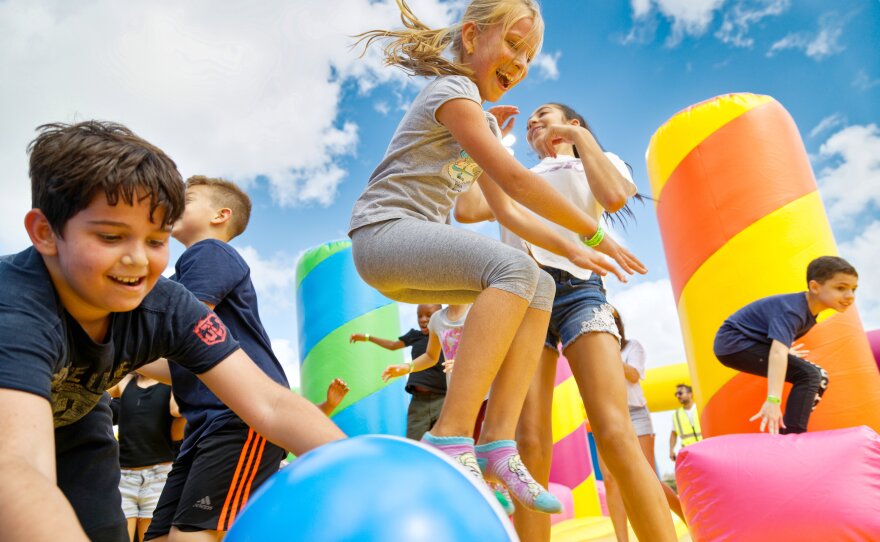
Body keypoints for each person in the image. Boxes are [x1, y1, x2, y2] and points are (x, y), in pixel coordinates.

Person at [350, 0, 643, 515]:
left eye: (528, 56)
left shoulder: (473, 120)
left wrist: (576, 246)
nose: (520, 63)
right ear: (471, 37)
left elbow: (501, 210)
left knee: (541, 287)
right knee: (514, 270)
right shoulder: (454, 91)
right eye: (512, 44)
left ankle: (497, 445)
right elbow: (516, 181)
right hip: (383, 235)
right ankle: (452, 433)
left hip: (409, 259)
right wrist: (593, 237)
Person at [0, 121, 345, 541]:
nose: (137, 261)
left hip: (77, 420)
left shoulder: (167, 306)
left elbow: (270, 403)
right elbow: (17, 467)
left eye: (156, 239)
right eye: (111, 236)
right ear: (44, 233)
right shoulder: (16, 309)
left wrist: (359, 467)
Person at [454, 102, 674, 541]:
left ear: (574, 124)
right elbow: (466, 209)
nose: (535, 120)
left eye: (545, 114)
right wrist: (480, 143)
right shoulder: (518, 176)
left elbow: (612, 196)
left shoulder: (597, 161)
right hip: (522, 295)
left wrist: (577, 137)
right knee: (528, 442)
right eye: (531, 119)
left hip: (580, 292)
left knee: (614, 431)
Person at [143, 175, 319, 541]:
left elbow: (183, 323)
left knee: (192, 535)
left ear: (221, 215)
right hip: (204, 427)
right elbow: (178, 363)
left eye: (186, 198)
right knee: (160, 535)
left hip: (240, 417)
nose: (173, 204)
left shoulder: (209, 252)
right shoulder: (186, 273)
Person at [713, 255, 857, 435]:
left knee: (819, 376)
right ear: (815, 287)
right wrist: (773, 400)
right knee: (812, 375)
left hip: (748, 342)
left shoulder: (808, 311)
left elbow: (769, 332)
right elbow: (776, 353)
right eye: (841, 288)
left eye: (853, 289)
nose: (850, 296)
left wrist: (783, 348)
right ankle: (792, 436)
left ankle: (791, 431)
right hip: (733, 344)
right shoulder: (793, 310)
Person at [597, 310, 684, 541]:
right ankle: (622, 539)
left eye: (609, 321)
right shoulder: (590, 354)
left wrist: (606, 349)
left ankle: (687, 518)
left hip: (635, 414)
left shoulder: (631, 347)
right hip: (607, 414)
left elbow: (633, 376)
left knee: (648, 476)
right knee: (611, 480)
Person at [351, 303, 446, 440]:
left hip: (442, 399)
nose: (423, 319)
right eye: (419, 316)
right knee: (414, 442)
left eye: (428, 315)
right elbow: (392, 345)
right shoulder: (415, 336)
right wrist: (367, 337)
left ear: (439, 316)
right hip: (419, 401)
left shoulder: (444, 336)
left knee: (442, 443)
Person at [108, 373, 179, 542]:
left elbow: (176, 409)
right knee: (120, 537)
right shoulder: (125, 382)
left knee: (152, 536)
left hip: (159, 475)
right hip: (124, 476)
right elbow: (98, 388)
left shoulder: (169, 382)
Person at [669, 384, 701, 461]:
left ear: (690, 394)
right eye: (676, 394)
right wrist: (671, 450)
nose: (678, 396)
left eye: (680, 393)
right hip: (689, 452)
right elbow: (673, 434)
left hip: (705, 447)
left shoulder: (700, 407)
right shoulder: (676, 415)